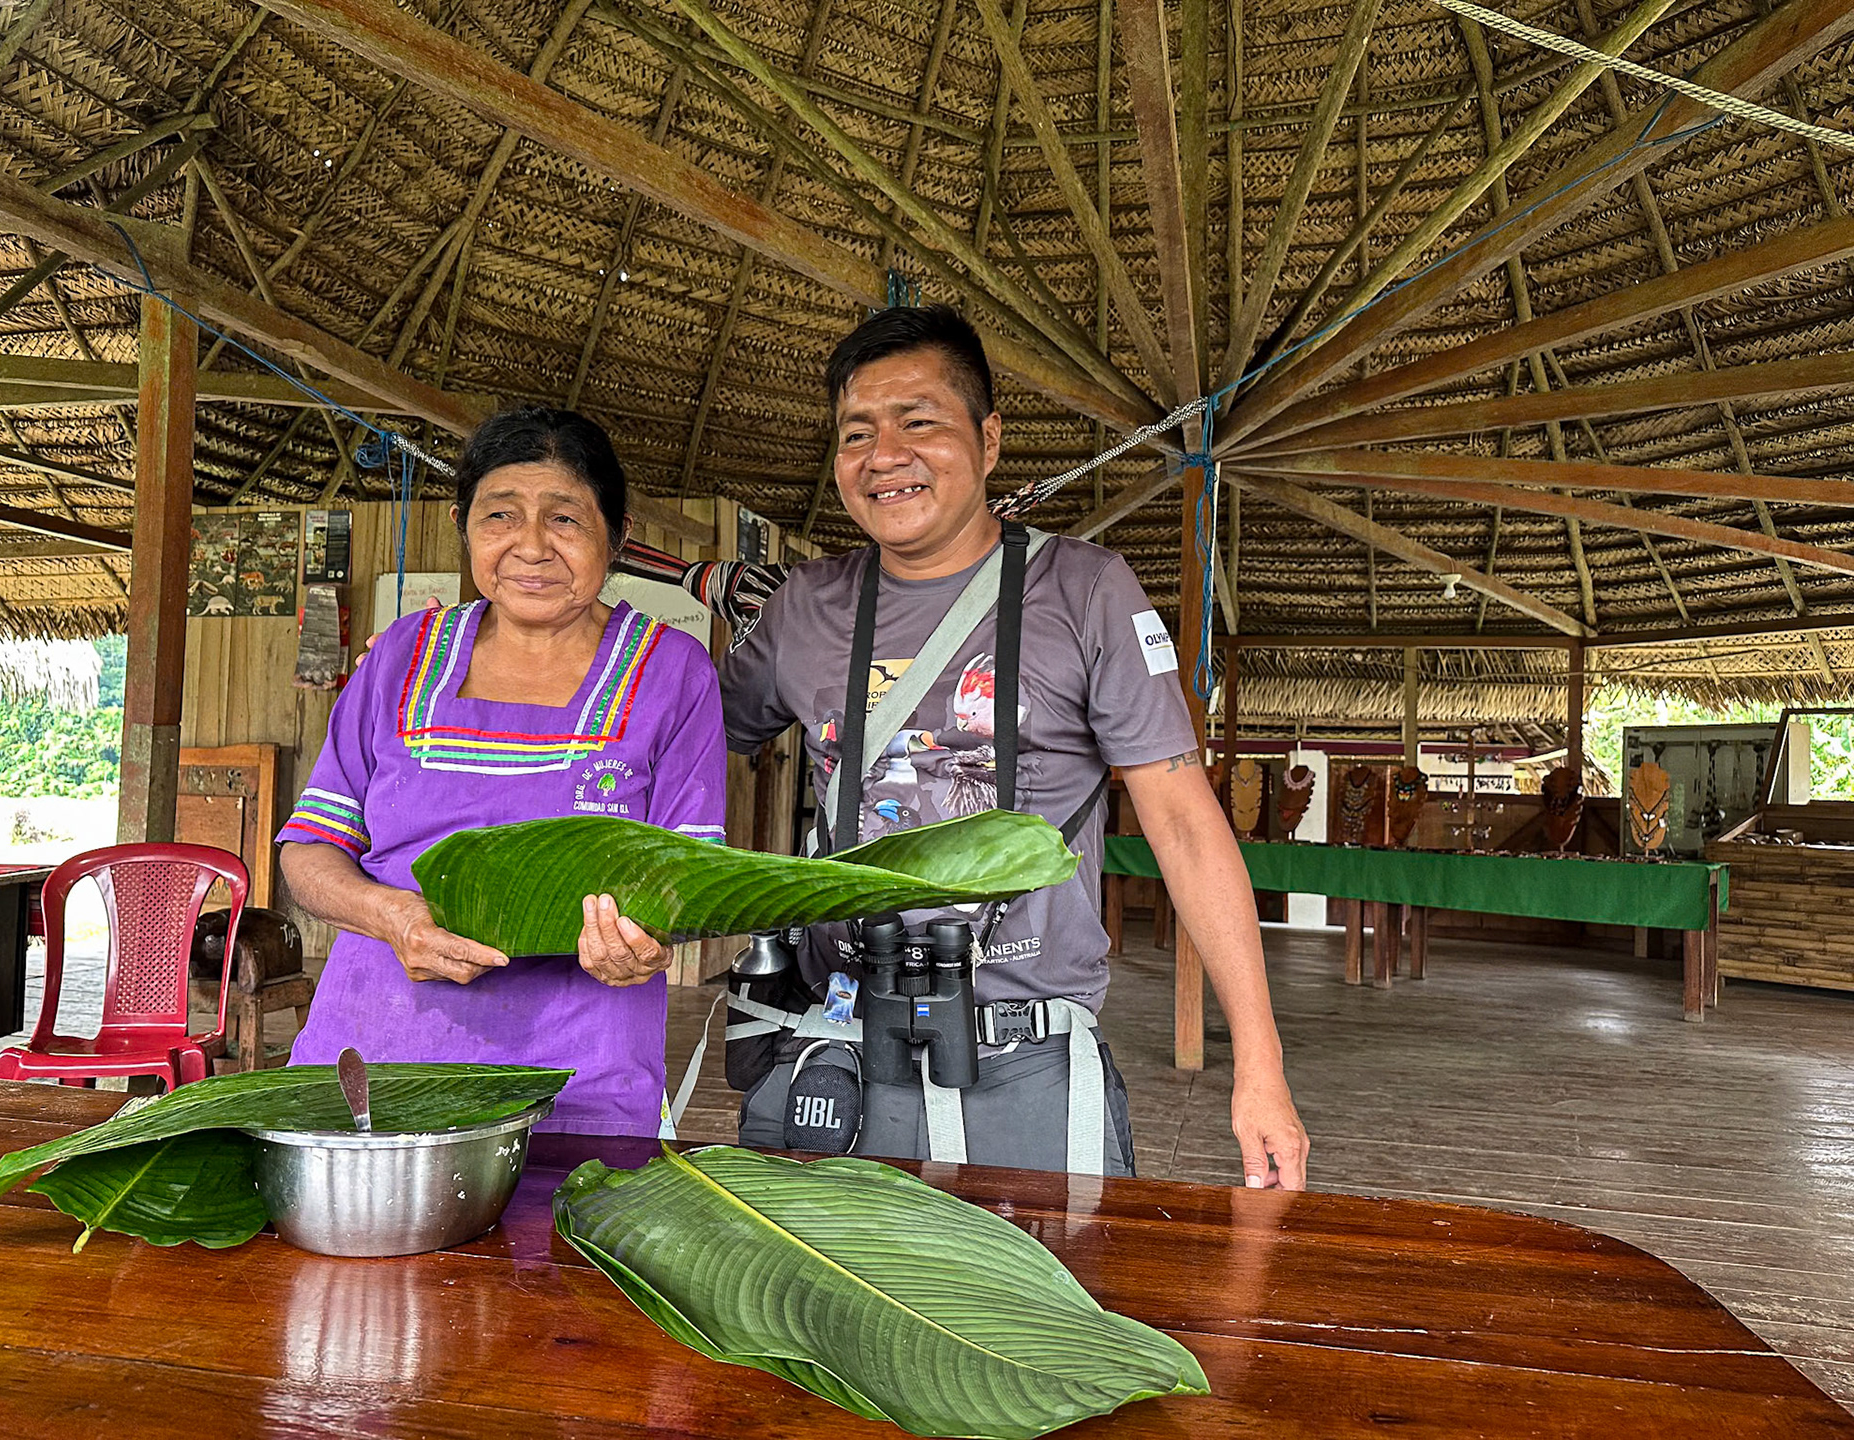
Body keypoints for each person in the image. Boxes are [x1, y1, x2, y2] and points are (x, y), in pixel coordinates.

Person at [719, 306, 1308, 1186]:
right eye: (857, 433)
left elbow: (1185, 825)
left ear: (989, 441)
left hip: (1025, 1058)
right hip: (839, 1043)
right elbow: (677, 739)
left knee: (1048, 1277)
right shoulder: (806, 607)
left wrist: (1260, 1063)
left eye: (919, 422)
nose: (885, 455)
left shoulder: (1086, 592)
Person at [278, 407, 726, 1135]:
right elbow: (308, 851)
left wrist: (645, 943)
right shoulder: (400, 656)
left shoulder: (673, 672)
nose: (532, 546)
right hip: (374, 1059)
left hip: (578, 1075)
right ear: (464, 526)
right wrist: (393, 917)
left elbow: (691, 878)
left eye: (565, 519)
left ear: (616, 536)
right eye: (501, 515)